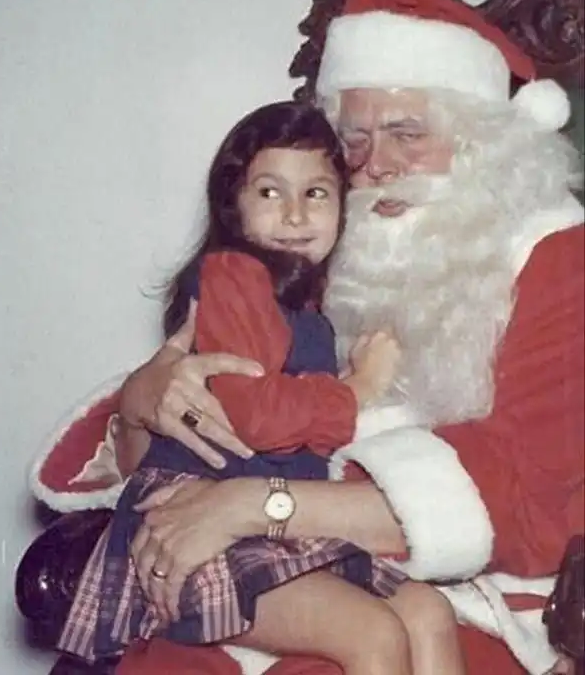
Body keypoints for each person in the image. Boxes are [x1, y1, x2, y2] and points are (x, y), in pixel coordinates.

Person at [32, 0, 584, 675]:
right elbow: (192, 446)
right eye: (354, 140)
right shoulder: (325, 247)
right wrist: (146, 401)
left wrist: (253, 506)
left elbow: (528, 500)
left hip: (486, 593)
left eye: (407, 135)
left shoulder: (554, 255)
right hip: (291, 553)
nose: (377, 165)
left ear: (480, 143)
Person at [55, 99, 464, 675]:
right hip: (194, 525)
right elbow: (256, 417)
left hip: (270, 525)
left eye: (316, 193)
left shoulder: (309, 302)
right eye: (271, 193)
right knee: (371, 632)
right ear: (234, 206)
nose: (295, 216)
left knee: (427, 611)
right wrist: (358, 388)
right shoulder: (232, 275)